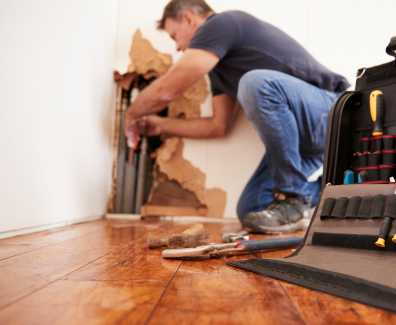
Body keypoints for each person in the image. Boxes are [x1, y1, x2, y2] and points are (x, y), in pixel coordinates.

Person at [125, 0, 349, 233]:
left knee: (255, 83)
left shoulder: (222, 23)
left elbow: (168, 90)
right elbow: (217, 126)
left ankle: (294, 199)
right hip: (301, 143)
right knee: (252, 208)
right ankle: (333, 194)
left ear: (189, 19)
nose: (178, 48)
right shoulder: (218, 70)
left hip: (330, 114)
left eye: (174, 37)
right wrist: (162, 126)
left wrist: (131, 114)